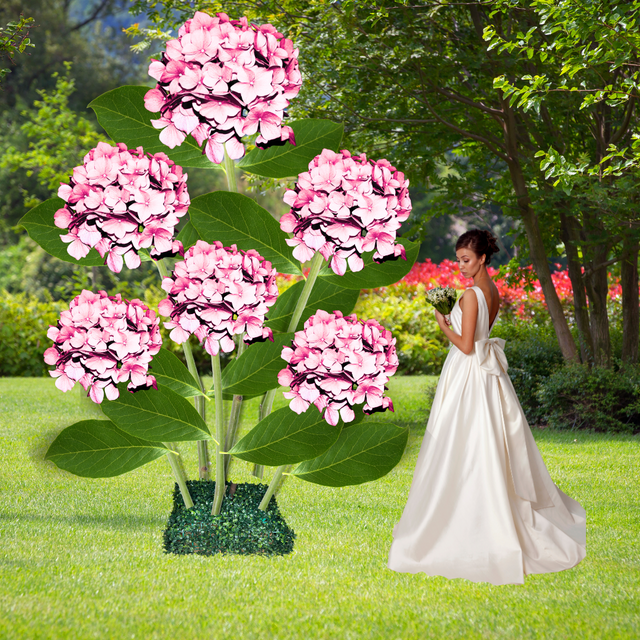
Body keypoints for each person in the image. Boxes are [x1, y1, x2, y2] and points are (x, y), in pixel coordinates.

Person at [387, 229, 586, 585]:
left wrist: (442, 321)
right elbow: (480, 336)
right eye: (459, 259)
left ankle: (461, 518)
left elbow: (466, 346)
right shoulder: (490, 292)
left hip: (468, 375)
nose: (460, 265)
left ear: (481, 259)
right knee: (486, 443)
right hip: (484, 376)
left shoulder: (469, 295)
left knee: (459, 445)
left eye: (466, 259)